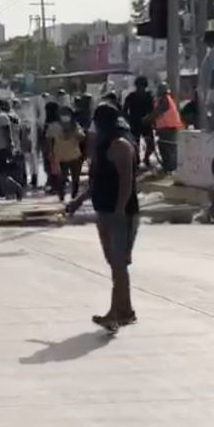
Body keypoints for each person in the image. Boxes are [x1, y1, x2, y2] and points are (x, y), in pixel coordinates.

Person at [67, 103, 139, 331]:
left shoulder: (120, 145)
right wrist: (79, 201)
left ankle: (114, 314)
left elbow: (127, 181)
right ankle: (125, 310)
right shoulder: (103, 144)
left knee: (119, 264)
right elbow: (97, 181)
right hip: (104, 211)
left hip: (120, 213)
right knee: (115, 263)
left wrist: (120, 210)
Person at [0, 98, 25, 200]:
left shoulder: (2, 118)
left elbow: (7, 134)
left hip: (2, 150)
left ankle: (17, 189)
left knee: (1, 175)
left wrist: (9, 147)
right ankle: (7, 193)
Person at [46, 106, 86, 202]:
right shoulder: (53, 126)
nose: (64, 116)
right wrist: (50, 153)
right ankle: (61, 197)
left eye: (66, 114)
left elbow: (82, 137)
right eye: (62, 114)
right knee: (61, 179)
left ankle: (74, 198)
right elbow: (49, 140)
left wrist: (73, 132)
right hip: (60, 156)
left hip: (74, 156)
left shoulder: (75, 125)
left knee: (75, 178)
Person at [123, 76, 155, 167]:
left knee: (136, 143)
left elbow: (124, 111)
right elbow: (153, 110)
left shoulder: (131, 96)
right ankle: (142, 159)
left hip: (137, 123)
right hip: (143, 123)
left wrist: (128, 119)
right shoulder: (148, 96)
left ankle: (139, 159)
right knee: (146, 143)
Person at [151, 82, 183, 173]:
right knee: (167, 148)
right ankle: (169, 167)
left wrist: (146, 119)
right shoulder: (166, 99)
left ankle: (169, 167)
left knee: (167, 148)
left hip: (168, 127)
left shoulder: (164, 100)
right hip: (167, 127)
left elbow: (157, 112)